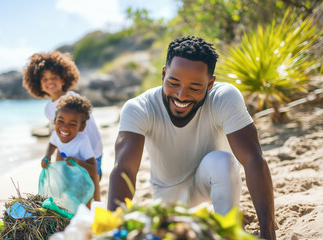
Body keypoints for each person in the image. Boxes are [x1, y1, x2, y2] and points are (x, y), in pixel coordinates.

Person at [108, 36, 276, 239]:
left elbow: (254, 160)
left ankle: (227, 232)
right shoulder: (139, 108)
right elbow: (124, 170)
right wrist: (113, 230)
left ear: (210, 83)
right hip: (168, 199)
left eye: (194, 88)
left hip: (211, 184)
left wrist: (268, 233)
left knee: (223, 161)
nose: (181, 95)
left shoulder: (224, 97)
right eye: (173, 82)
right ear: (163, 74)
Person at [22, 51, 103, 179]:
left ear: (63, 79)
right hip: (71, 151)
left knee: (92, 183)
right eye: (45, 79)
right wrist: (48, 155)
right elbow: (57, 134)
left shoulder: (72, 99)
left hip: (91, 149)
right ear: (39, 85)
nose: (50, 81)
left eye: (54, 77)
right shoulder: (48, 109)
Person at [41, 94, 100, 201]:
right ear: (55, 120)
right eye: (61, 121)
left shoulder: (82, 141)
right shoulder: (55, 133)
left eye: (72, 124)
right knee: (65, 199)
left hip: (83, 178)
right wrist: (47, 156)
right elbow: (52, 144)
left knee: (89, 201)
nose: (64, 127)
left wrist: (77, 162)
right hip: (68, 176)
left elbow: (93, 168)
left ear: (81, 127)